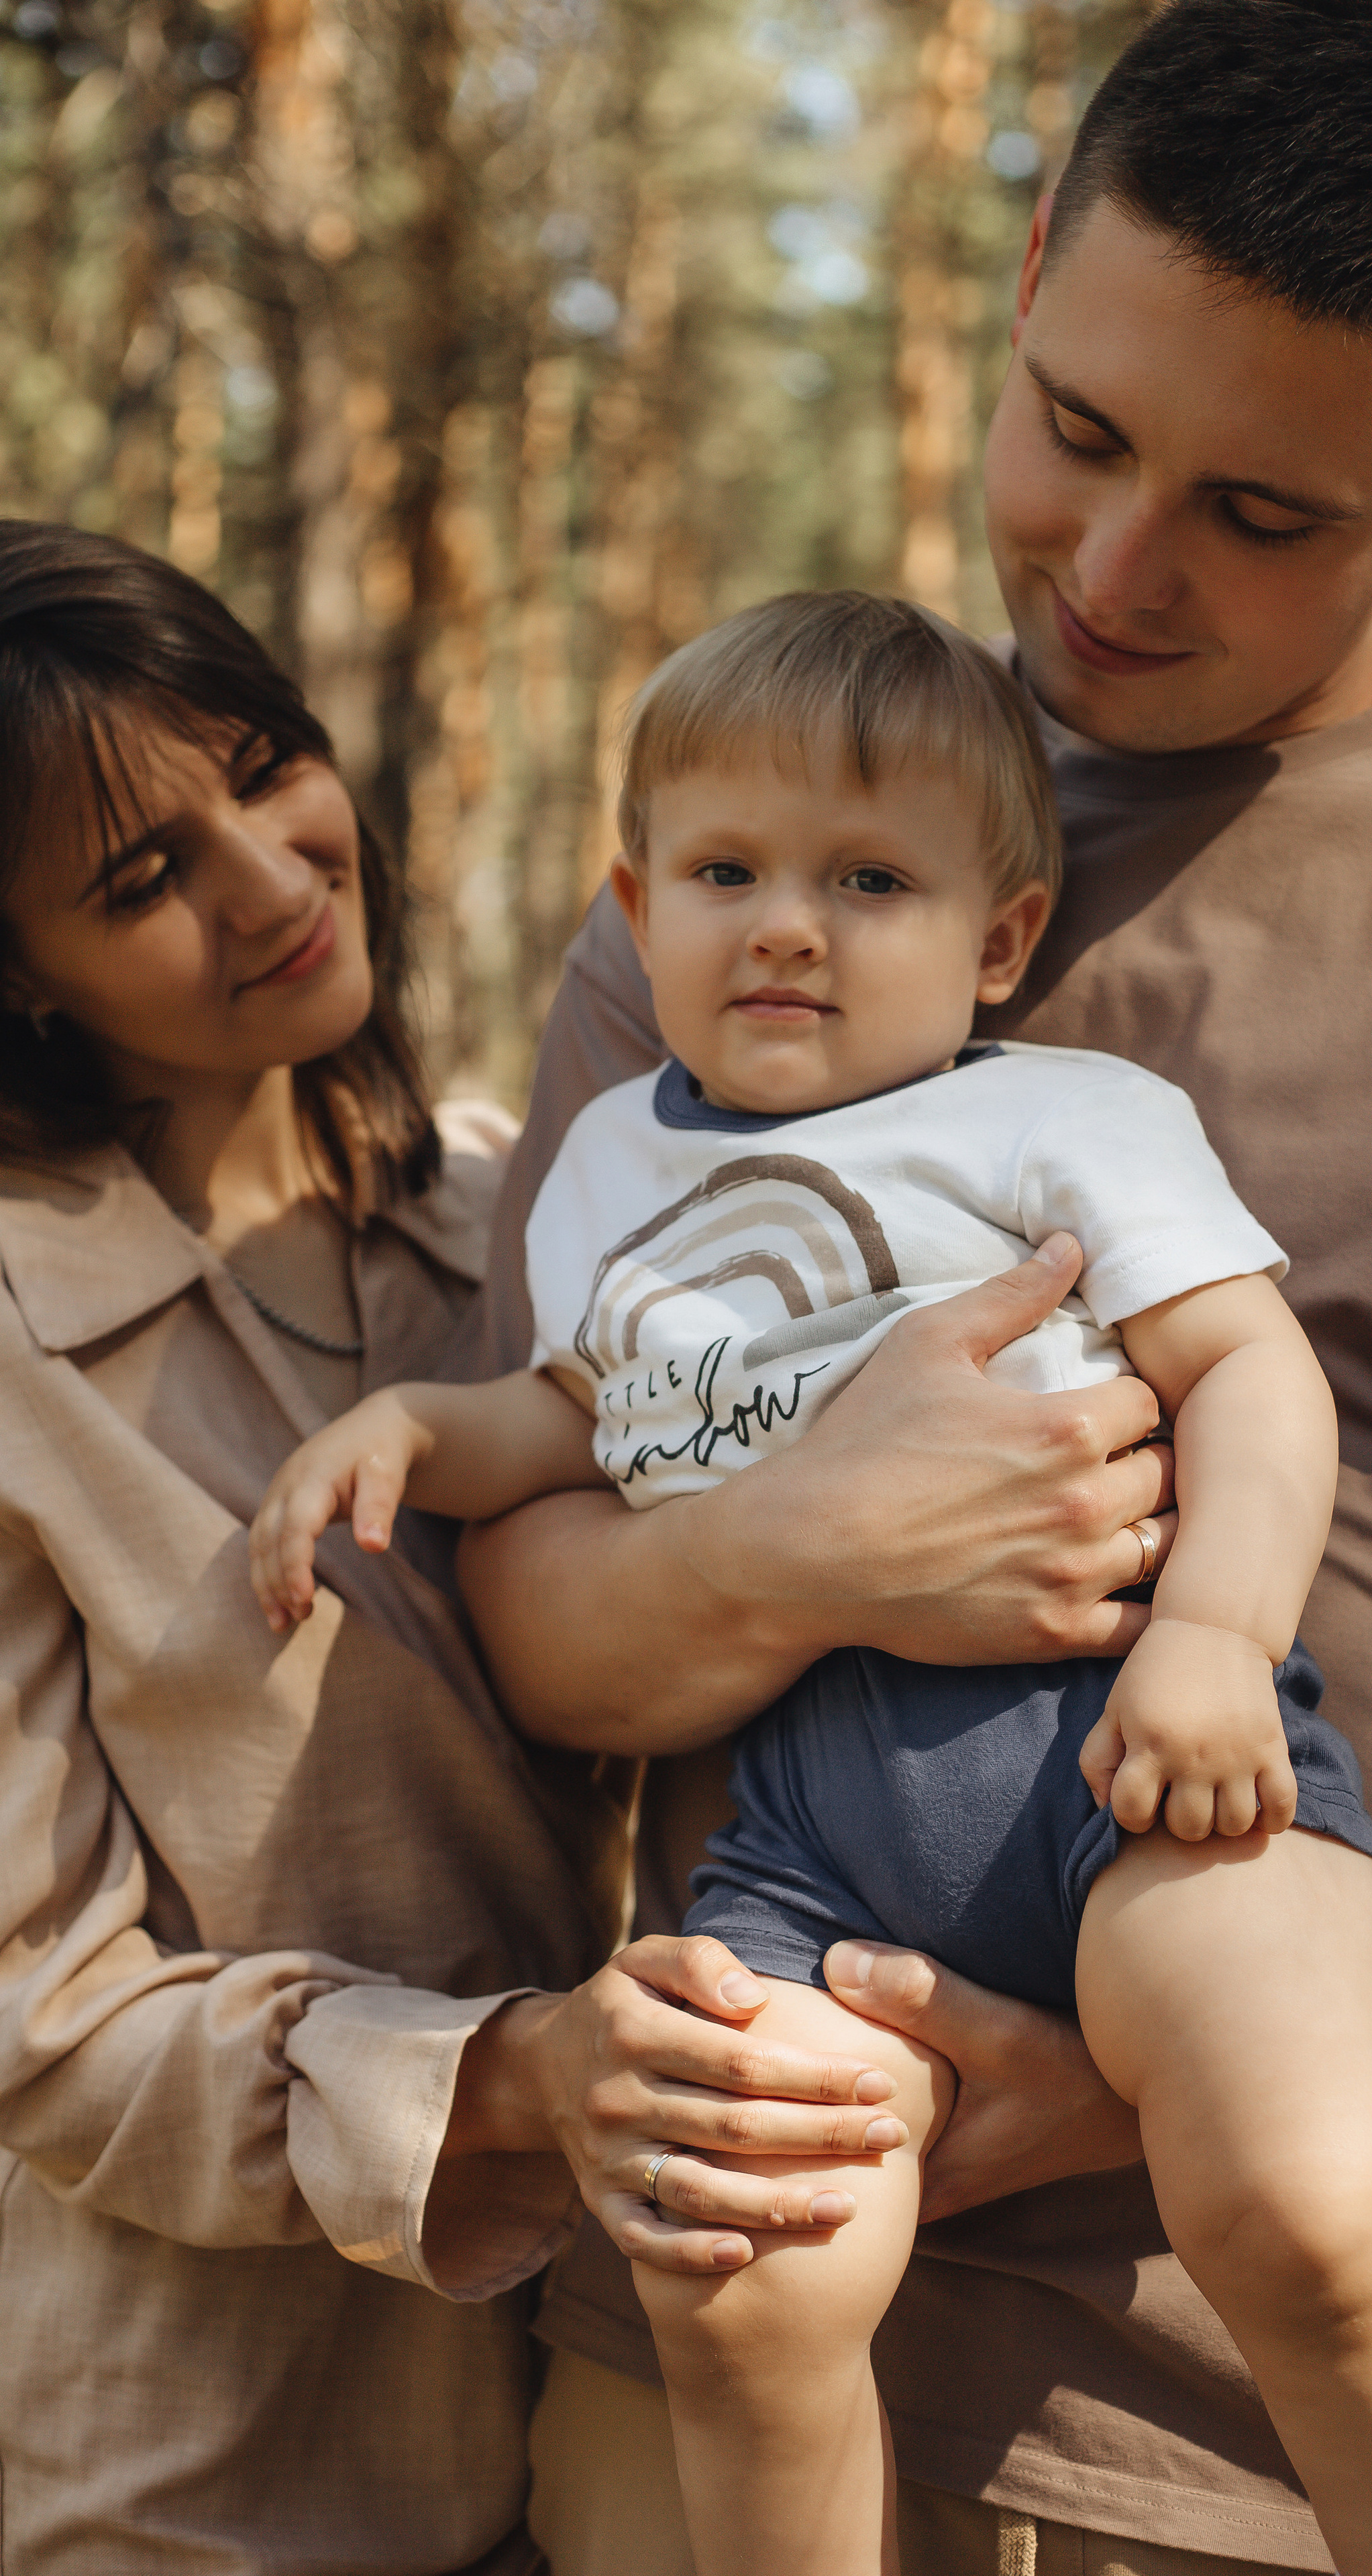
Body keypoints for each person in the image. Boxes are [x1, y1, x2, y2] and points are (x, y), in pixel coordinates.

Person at [452, 5, 1372, 2574]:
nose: (1116, 573)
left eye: (1261, 509)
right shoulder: (770, 865)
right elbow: (550, 1627)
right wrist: (809, 1545)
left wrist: (1201, 2047)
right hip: (775, 2371)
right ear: (1029, 273)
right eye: (1081, 429)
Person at [252, 590, 1372, 2576]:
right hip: (814, 1849)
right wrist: (418, 1423)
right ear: (636, 897)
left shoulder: (1057, 1118)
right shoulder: (602, 1177)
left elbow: (1256, 1378)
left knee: (1294, 2190)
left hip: (1137, 1764)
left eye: (871, 879)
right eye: (728, 869)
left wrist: (1215, 1635)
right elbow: (576, 1422)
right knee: (740, 2272)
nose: (788, 924)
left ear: (998, 938)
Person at [0, 518, 655, 2573]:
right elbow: (43, 2018)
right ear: (18, 968)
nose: (275, 881)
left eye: (265, 768)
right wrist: (517, 2079)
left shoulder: (515, 1210)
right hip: (206, 2487)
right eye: (144, 878)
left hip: (615, 2412)